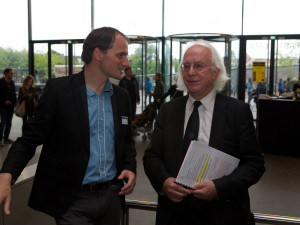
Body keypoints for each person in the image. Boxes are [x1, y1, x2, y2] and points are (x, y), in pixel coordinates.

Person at [0, 27, 137, 225]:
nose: (126, 63)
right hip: (73, 202)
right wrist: (6, 175)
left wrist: (129, 167)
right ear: (98, 54)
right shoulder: (60, 91)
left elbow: (127, 142)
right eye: (121, 55)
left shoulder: (121, 97)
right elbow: (29, 139)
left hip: (112, 199)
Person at [143, 39, 265, 225]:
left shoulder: (237, 112)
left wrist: (219, 187)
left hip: (223, 214)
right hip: (174, 215)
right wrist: (164, 182)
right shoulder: (168, 111)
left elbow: (254, 164)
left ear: (215, 73)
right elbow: (152, 157)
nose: (190, 72)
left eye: (199, 66)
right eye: (186, 66)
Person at [0, 68, 17, 147]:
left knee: (9, 122)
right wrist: (4, 101)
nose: (12, 74)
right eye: (10, 73)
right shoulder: (1, 82)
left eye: (12, 73)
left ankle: (6, 138)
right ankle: (0, 139)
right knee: (3, 122)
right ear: (6, 74)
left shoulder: (12, 83)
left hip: (11, 106)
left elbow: (13, 93)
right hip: (3, 106)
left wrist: (15, 102)